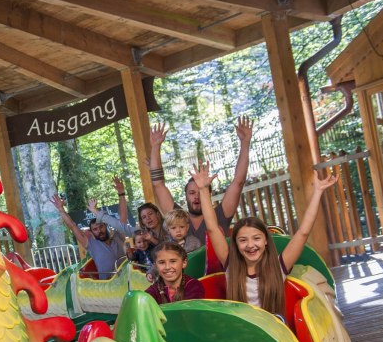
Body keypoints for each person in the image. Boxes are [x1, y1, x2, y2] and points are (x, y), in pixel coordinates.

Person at [190, 162, 338, 316]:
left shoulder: (278, 266)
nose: (250, 245)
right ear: (236, 244)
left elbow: (303, 232)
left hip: (273, 329)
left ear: (266, 240)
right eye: (243, 240)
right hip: (244, 328)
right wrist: (203, 189)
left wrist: (318, 192)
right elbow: (213, 228)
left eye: (256, 238)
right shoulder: (231, 265)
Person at [149, 116, 253, 244]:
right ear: (186, 196)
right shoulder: (176, 217)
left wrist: (245, 143)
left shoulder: (221, 214)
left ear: (208, 194)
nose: (196, 197)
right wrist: (155, 147)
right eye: (192, 193)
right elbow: (158, 184)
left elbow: (238, 181)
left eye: (200, 191)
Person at [50, 194, 125, 280]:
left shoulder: (118, 237)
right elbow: (73, 226)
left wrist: (121, 194)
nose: (99, 230)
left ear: (105, 225)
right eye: (95, 229)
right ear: (92, 232)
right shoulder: (91, 244)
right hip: (108, 284)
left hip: (128, 277)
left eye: (101, 227)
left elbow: (123, 217)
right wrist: (61, 209)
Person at [87, 177, 167, 247]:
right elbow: (119, 226)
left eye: (150, 214)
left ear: (157, 214)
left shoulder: (167, 226)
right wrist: (95, 211)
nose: (148, 218)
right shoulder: (142, 232)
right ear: (142, 221)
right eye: (144, 217)